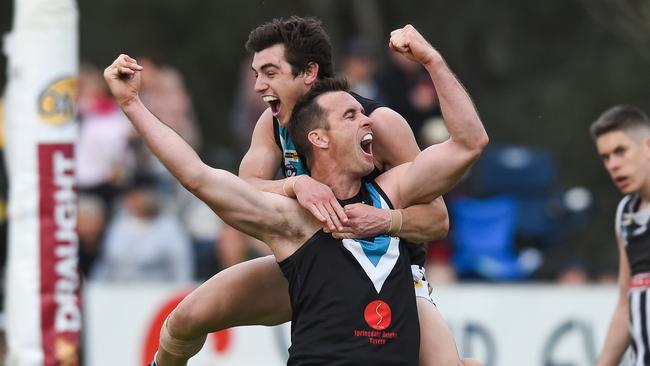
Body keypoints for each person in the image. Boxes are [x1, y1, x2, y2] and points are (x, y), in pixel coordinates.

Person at [105, 24, 487, 365]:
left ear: (309, 73)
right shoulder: (274, 124)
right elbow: (229, 185)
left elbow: (436, 218)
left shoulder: (377, 123)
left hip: (396, 271)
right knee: (188, 318)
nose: (258, 86)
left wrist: (385, 221)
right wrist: (293, 184)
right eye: (256, 74)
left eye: (269, 73)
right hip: (312, 259)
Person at [590, 105, 650, 366]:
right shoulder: (625, 214)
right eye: (605, 157)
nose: (613, 164)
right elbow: (626, 304)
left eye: (620, 151)